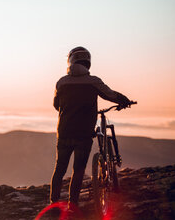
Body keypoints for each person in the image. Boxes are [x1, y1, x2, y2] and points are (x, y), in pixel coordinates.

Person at [50, 46, 130, 208]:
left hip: (64, 132)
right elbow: (111, 95)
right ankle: (73, 204)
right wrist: (124, 100)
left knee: (60, 168)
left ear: (70, 61)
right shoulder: (93, 81)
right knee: (78, 169)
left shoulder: (62, 82)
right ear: (88, 62)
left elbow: (56, 105)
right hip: (84, 134)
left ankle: (53, 202)